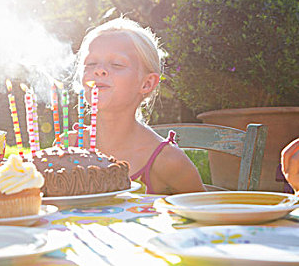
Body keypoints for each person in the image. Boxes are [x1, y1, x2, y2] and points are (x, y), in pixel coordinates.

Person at [66, 17, 205, 195]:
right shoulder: (68, 147)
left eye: (116, 64)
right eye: (91, 63)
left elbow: (204, 214)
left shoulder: (167, 161)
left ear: (146, 83)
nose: (99, 70)